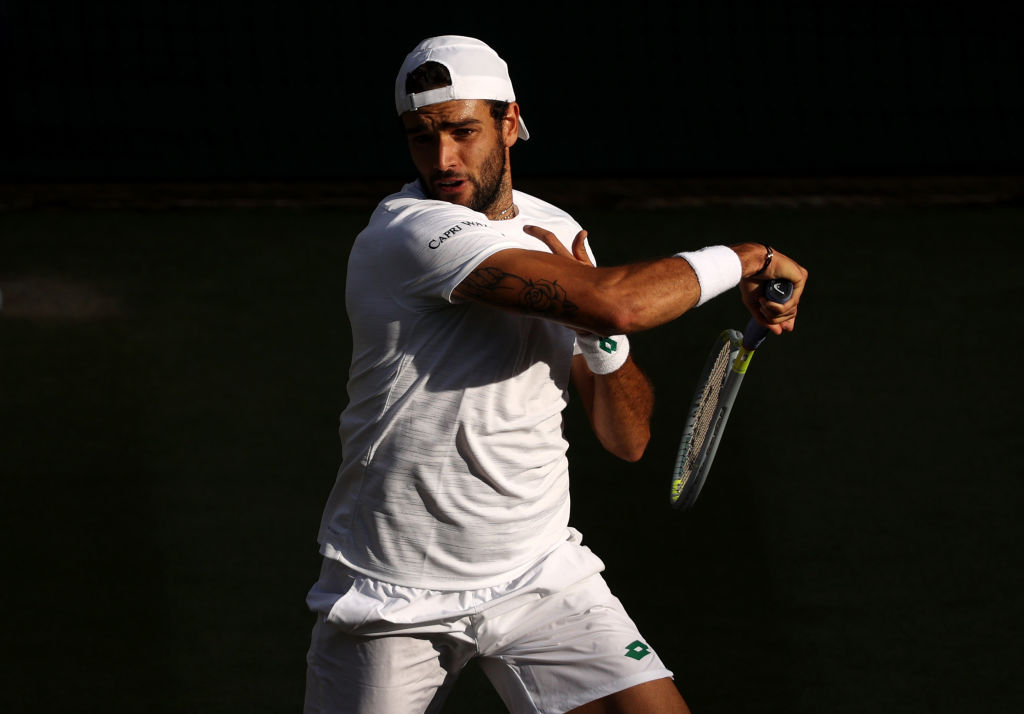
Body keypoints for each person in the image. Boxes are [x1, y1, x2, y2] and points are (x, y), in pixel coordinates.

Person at [304, 35, 808, 714]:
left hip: (538, 572)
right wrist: (746, 257)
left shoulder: (555, 230)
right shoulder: (410, 232)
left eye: (463, 131)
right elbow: (619, 303)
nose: (443, 159)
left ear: (510, 122)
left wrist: (595, 339)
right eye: (422, 137)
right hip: (396, 587)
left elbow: (626, 438)